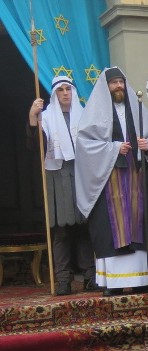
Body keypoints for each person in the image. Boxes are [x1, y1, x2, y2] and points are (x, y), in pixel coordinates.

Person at [75, 67, 148, 295]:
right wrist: (113, 148)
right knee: (112, 228)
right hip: (109, 177)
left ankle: (142, 279)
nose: (118, 86)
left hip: (137, 175)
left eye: (121, 82)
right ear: (106, 87)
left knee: (139, 223)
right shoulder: (94, 113)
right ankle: (113, 283)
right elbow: (85, 145)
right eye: (113, 83)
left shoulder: (138, 108)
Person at [27, 75, 96, 295]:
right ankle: (63, 280)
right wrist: (32, 117)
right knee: (63, 230)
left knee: (85, 228)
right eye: (60, 90)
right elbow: (34, 146)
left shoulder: (85, 115)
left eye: (68, 89)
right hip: (57, 174)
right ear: (55, 94)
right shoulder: (46, 117)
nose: (65, 93)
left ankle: (90, 277)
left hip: (83, 174)